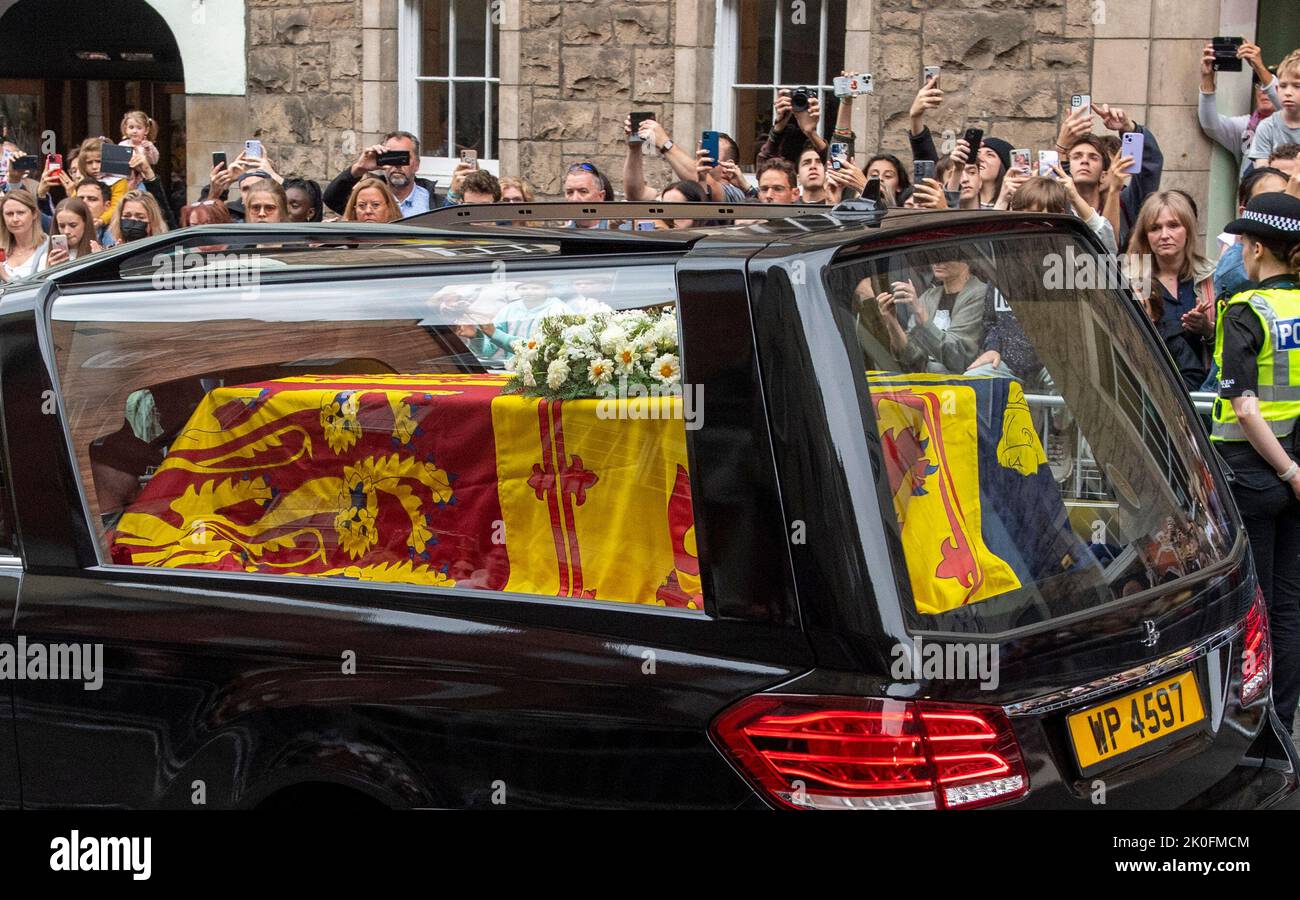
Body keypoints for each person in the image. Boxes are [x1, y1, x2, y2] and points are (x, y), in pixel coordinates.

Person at [1209, 191, 1300, 732]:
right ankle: (1281, 727)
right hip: (1294, 474)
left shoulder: (1246, 309)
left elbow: (1243, 407)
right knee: (1289, 607)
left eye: (1242, 242)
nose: (1239, 251)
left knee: (1255, 610)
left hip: (1254, 475)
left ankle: (1251, 731)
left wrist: (1286, 472)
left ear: (1258, 248)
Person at [1126, 191, 1215, 392]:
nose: (1164, 235)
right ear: (1145, 235)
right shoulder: (1129, 281)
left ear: (1188, 230)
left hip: (1208, 396)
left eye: (1173, 225)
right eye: (1155, 228)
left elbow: (1236, 344)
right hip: (1151, 395)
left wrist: (1207, 330)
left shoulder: (1213, 276)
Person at [1058, 104, 1164, 249]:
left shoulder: (1126, 203)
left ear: (1103, 173)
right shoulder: (1059, 203)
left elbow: (1150, 168)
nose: (1084, 161)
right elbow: (1058, 176)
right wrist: (1061, 146)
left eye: (1093, 158)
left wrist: (1129, 128)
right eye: (1076, 156)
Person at [875, 249, 987, 375]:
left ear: (966, 259)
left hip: (962, 387)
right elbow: (911, 357)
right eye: (933, 255)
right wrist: (892, 321)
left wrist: (920, 313)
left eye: (945, 255)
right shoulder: (929, 296)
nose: (937, 261)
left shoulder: (980, 294)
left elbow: (957, 359)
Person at [1198, 40, 1280, 177]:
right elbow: (1210, 125)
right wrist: (1207, 78)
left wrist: (1259, 67)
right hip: (1249, 197)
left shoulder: (1292, 126)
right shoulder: (1248, 126)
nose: (1263, 91)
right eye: (1259, 85)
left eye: (1267, 86)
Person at [324, 131, 442, 216]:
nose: (397, 165)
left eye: (403, 158)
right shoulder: (369, 200)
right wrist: (359, 168)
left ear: (416, 164)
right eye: (391, 157)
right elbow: (331, 199)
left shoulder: (433, 202)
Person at [1250, 50, 1300, 168]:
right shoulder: (1267, 126)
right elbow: (1262, 175)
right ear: (1277, 89)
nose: (1288, 93)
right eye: (1283, 86)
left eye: (1297, 86)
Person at [76, 138, 128, 227]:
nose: (94, 167)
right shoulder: (83, 182)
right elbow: (74, 203)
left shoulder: (119, 181)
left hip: (112, 224)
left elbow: (117, 207)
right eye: (89, 162)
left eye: (98, 161)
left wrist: (101, 220)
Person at [0, 189, 50, 281]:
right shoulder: (2, 248)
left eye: (21, 213)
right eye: (9, 214)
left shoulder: (49, 247)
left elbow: (40, 287)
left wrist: (5, 277)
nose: (15, 219)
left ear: (34, 214)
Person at [51, 197, 102, 262]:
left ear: (86, 223)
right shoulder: (46, 258)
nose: (66, 231)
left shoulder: (98, 252)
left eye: (73, 225)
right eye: (62, 226)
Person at [562, 162, 609, 228]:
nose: (575, 199)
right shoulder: (562, 236)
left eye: (583, 191)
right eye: (570, 192)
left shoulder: (623, 230)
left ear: (601, 196)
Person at [74, 180, 117, 247]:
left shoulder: (114, 234)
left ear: (107, 205)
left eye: (92, 199)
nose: (84, 202)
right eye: (80, 199)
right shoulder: (64, 229)